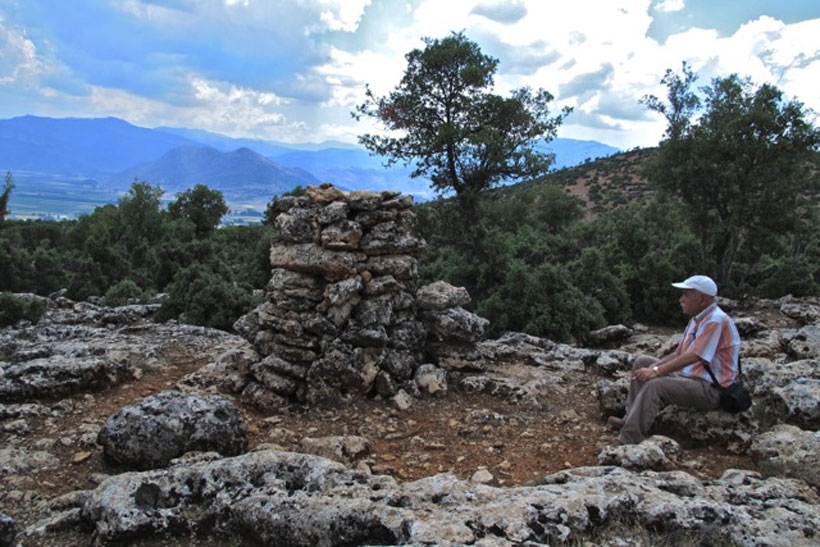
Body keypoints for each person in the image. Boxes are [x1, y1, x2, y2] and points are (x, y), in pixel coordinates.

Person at [609, 275, 741, 445]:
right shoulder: (698, 319)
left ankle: (628, 439)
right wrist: (654, 366)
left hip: (712, 389)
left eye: (686, 295)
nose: (681, 299)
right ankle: (630, 418)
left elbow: (694, 355)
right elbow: (680, 353)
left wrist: (656, 372)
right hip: (691, 378)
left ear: (700, 299)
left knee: (655, 386)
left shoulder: (715, 320)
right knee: (642, 362)